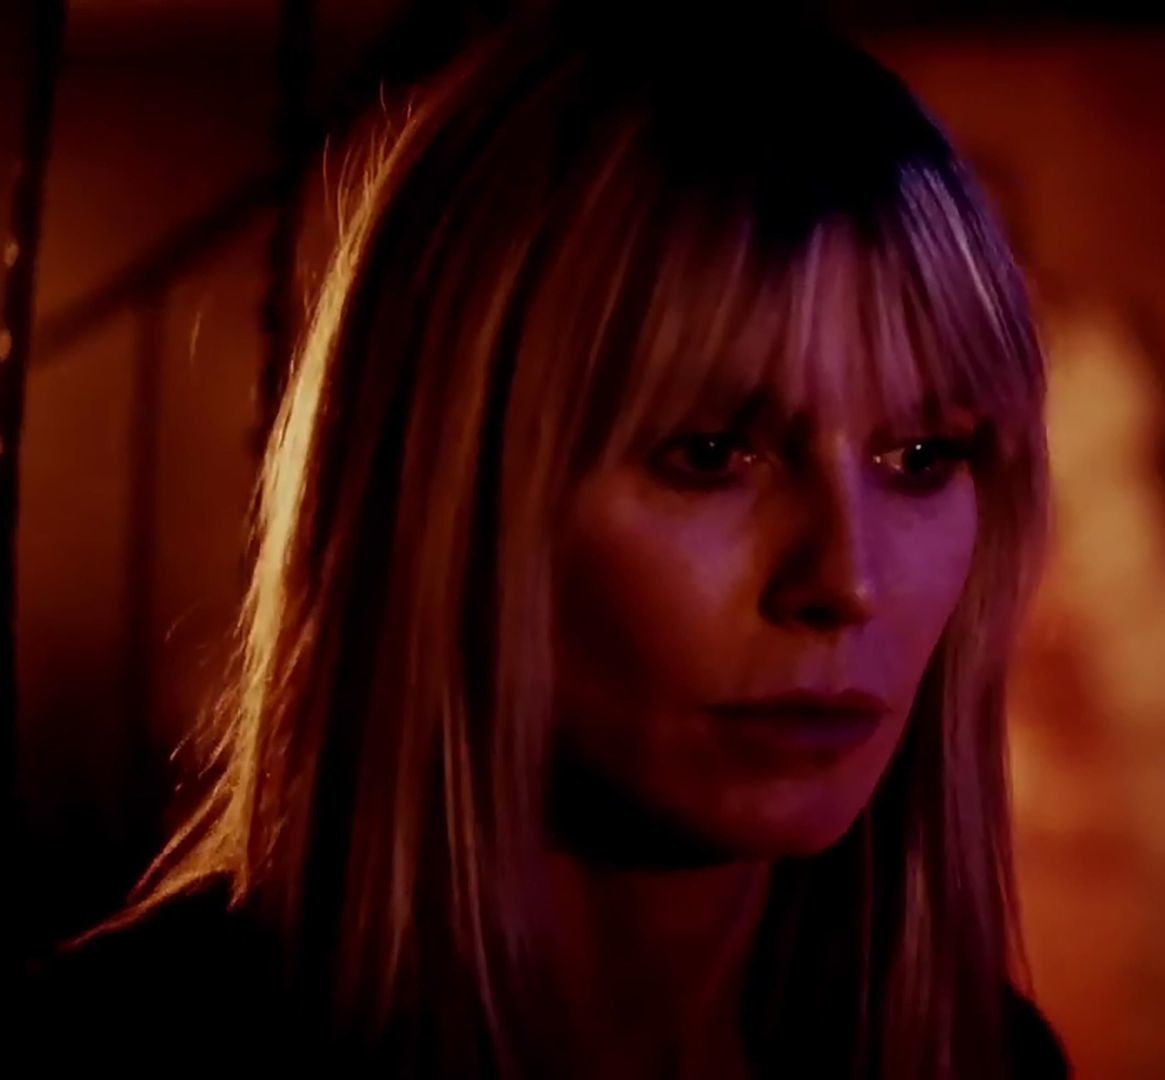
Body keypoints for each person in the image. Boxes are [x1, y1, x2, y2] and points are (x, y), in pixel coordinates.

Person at [14, 8, 1061, 1078]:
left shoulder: (986, 1059)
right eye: (709, 453)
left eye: (921, 455)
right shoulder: (114, 1047)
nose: (847, 578)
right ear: (453, 488)